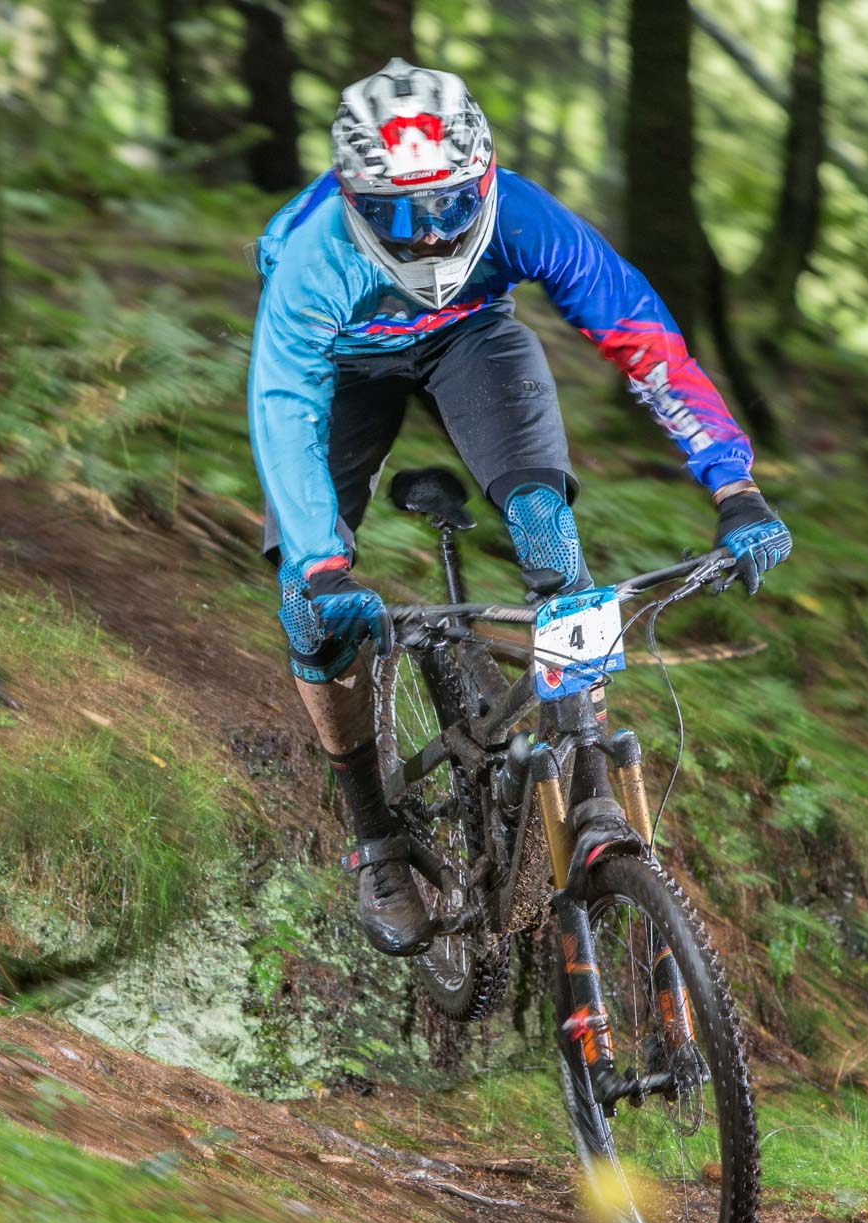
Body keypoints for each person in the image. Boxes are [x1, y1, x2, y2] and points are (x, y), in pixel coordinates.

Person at [250, 59, 792, 957]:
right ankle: (375, 836)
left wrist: (734, 486)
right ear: (354, 202)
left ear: (486, 179)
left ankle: (588, 770)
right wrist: (321, 564)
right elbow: (285, 411)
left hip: (470, 337)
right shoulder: (313, 258)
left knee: (547, 524)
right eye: (400, 216)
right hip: (343, 363)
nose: (431, 234)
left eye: (451, 206)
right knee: (311, 613)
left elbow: (642, 337)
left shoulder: (524, 215)